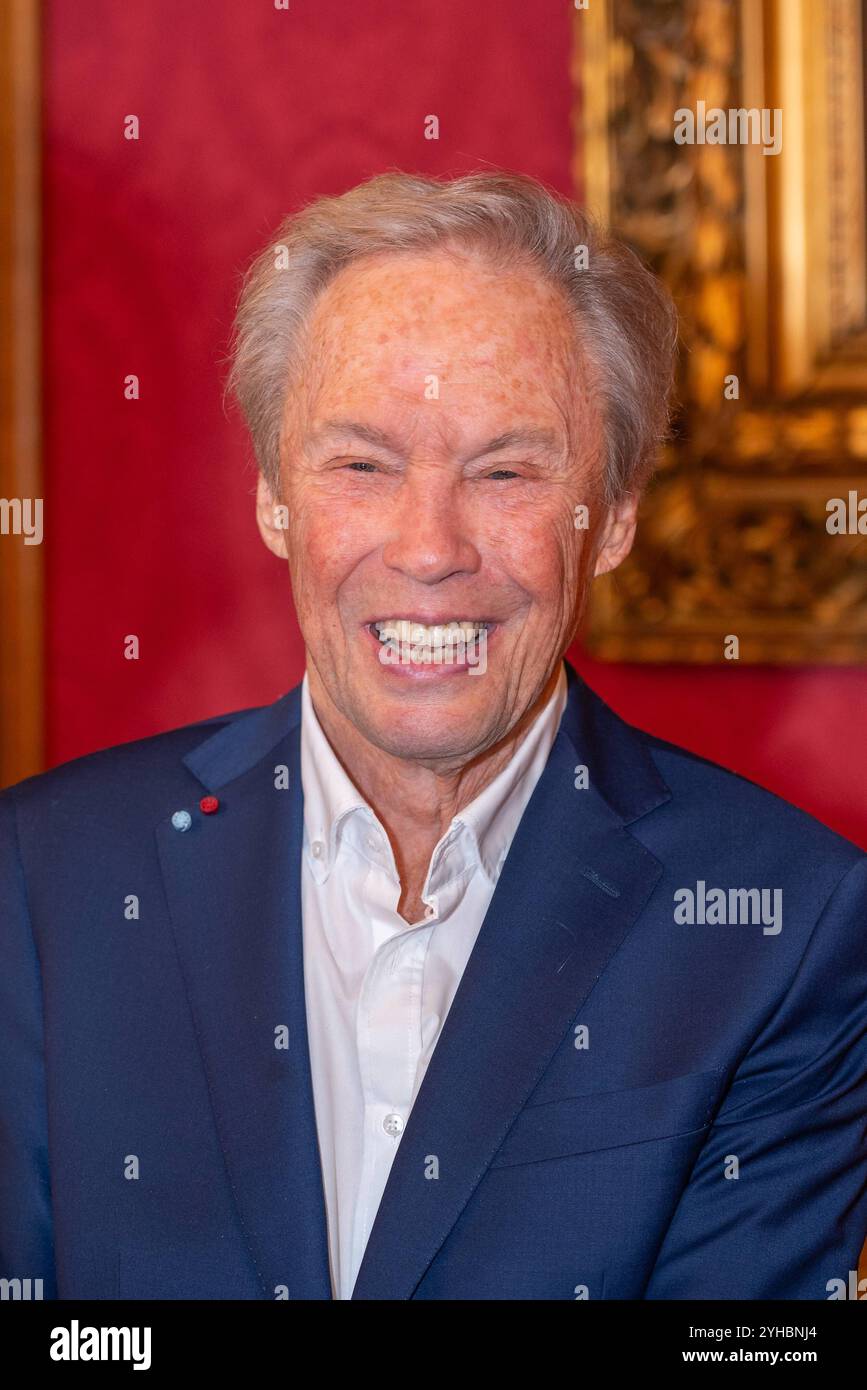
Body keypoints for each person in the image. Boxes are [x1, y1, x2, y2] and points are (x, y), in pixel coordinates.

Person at [2, 171, 865, 1301]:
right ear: (273, 498)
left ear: (612, 517)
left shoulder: (789, 924)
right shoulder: (42, 878)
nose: (428, 549)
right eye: (362, 465)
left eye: (505, 471)